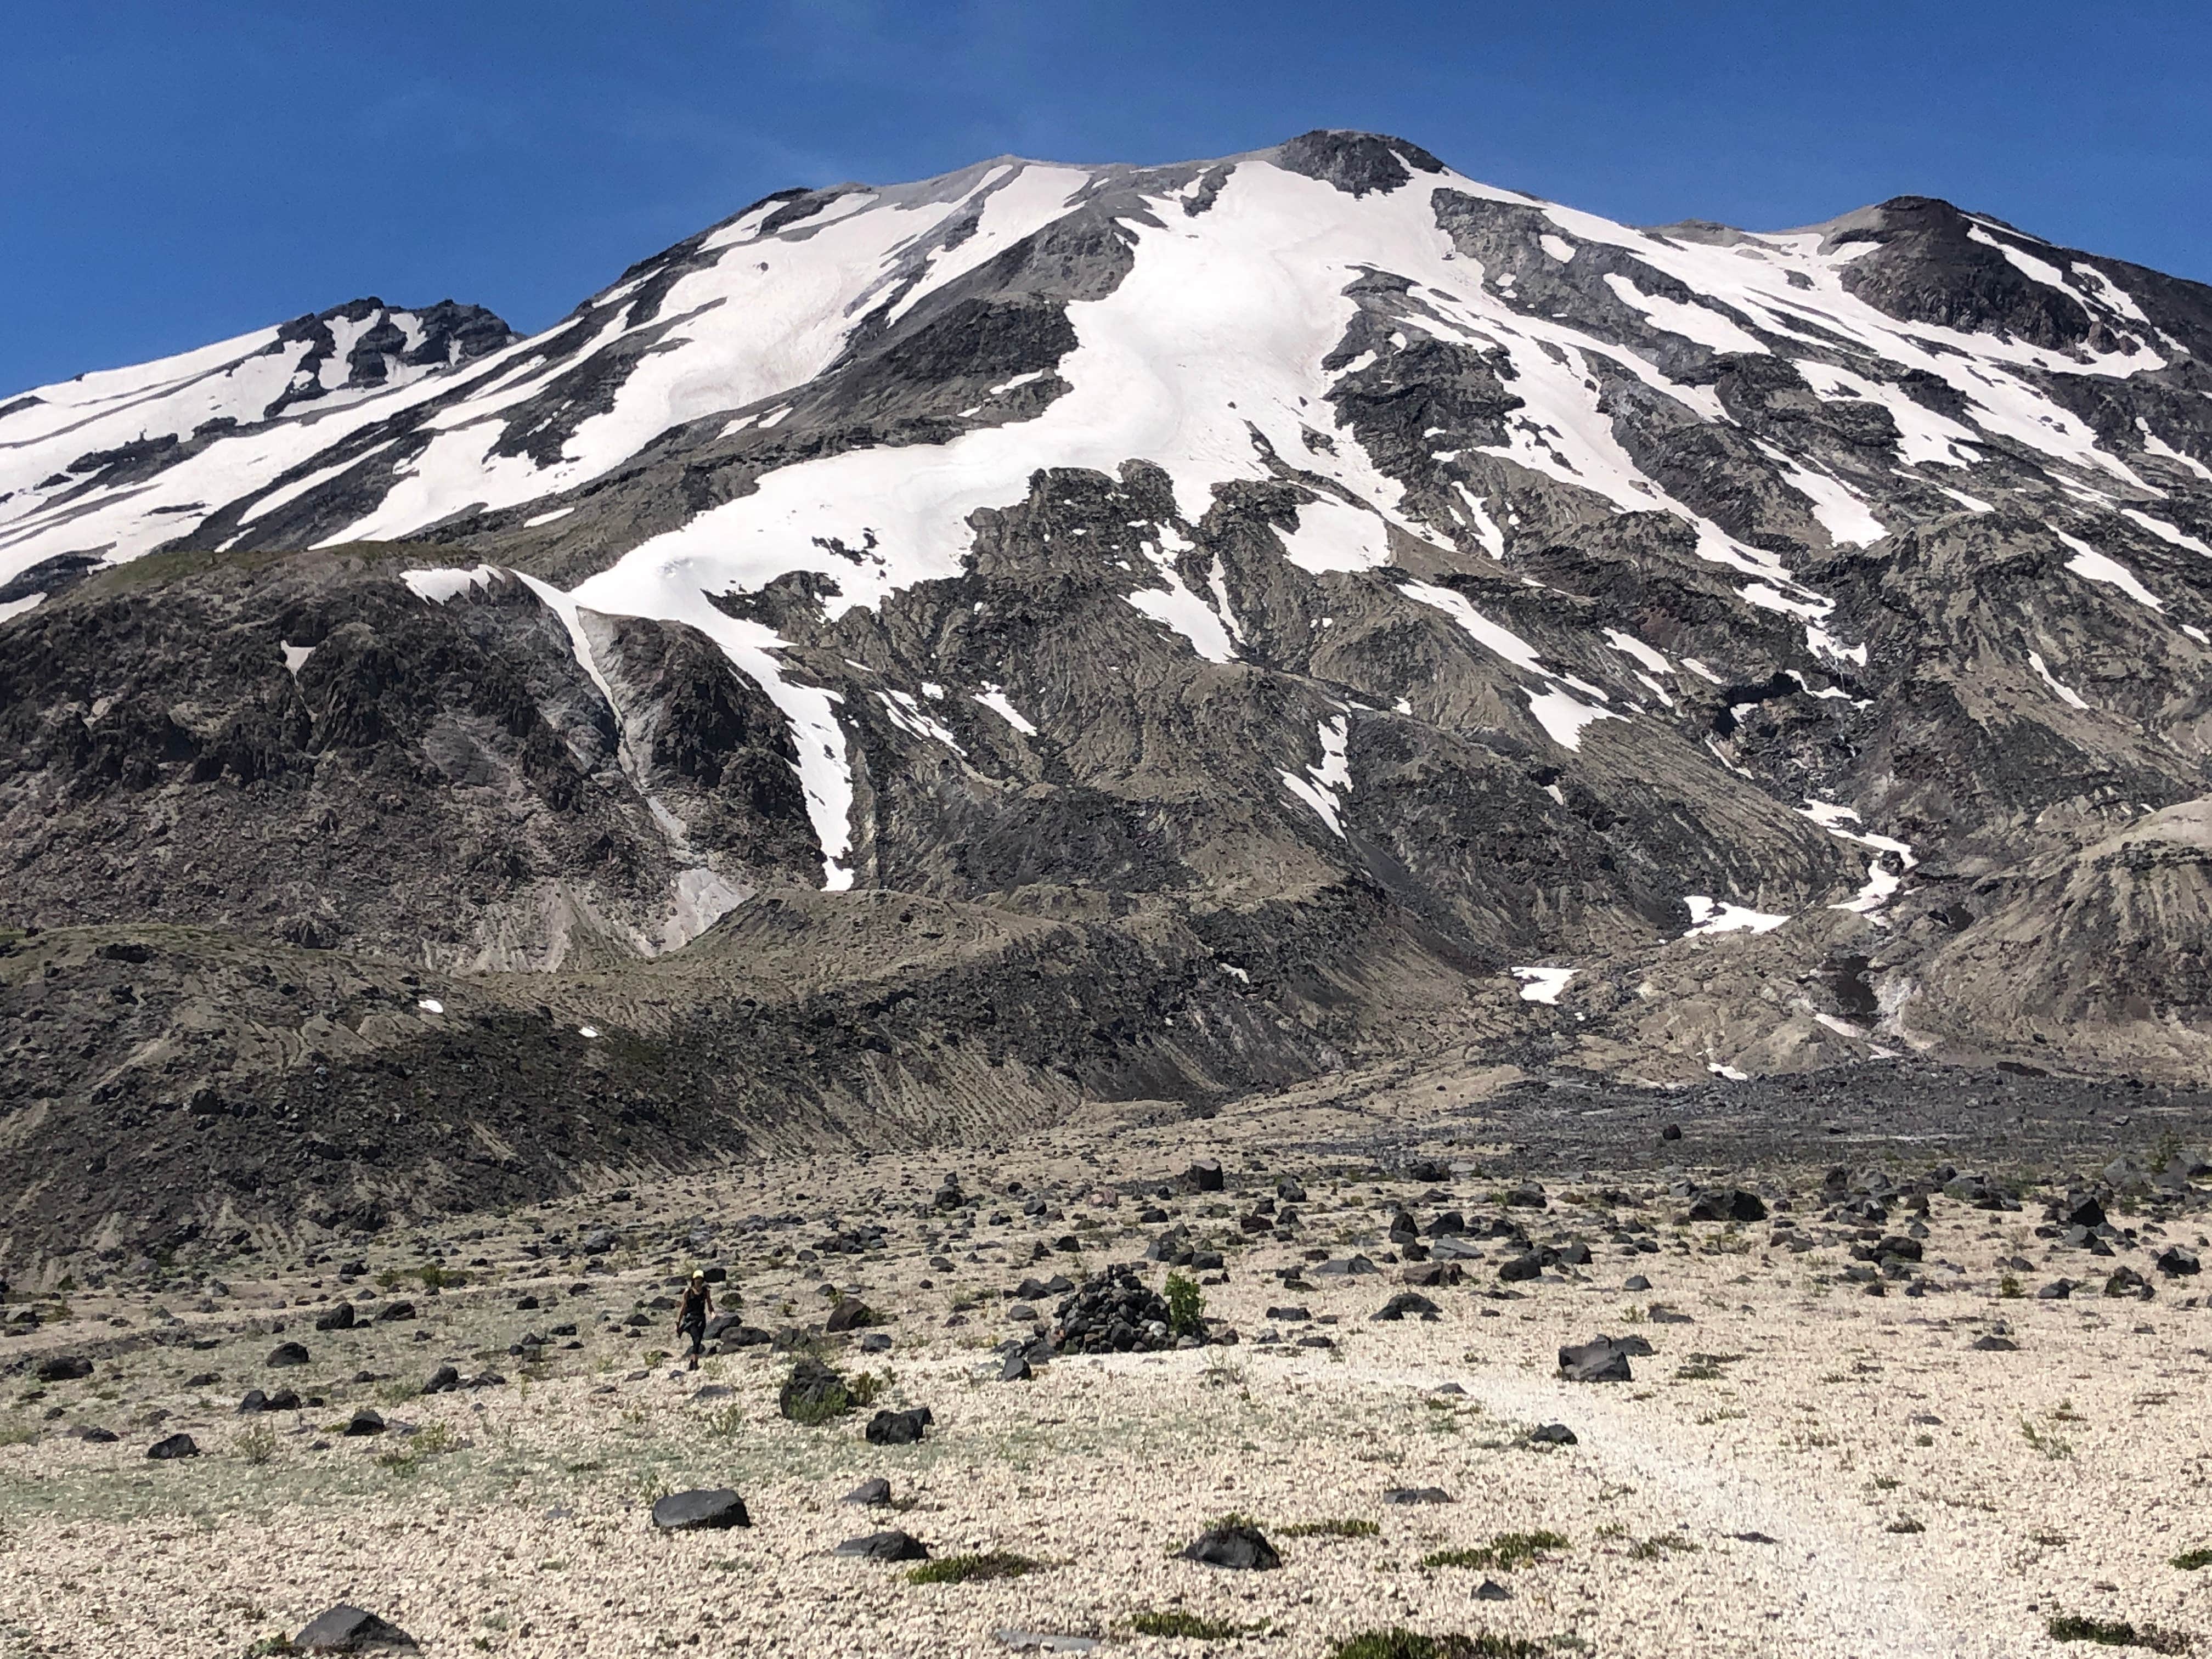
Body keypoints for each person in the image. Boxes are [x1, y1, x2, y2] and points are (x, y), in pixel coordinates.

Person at [676, 1270, 713, 1370]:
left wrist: (713, 1314)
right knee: (696, 1339)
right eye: (697, 1279)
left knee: (698, 1341)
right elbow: (683, 1308)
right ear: (694, 1280)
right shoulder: (688, 1292)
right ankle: (694, 1363)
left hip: (701, 1319)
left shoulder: (705, 1292)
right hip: (691, 1319)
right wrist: (678, 1322)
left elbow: (710, 1305)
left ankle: (693, 1363)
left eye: (700, 1279)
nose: (699, 1281)